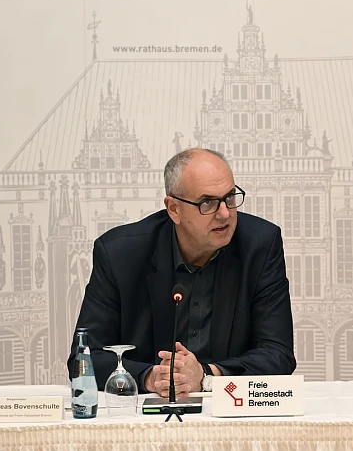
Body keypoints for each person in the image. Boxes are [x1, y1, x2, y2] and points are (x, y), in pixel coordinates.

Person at [67, 148, 295, 396]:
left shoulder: (260, 244)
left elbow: (278, 353)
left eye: (230, 197)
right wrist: (152, 377)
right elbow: (84, 358)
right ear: (174, 209)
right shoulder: (119, 254)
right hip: (149, 409)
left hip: (228, 403)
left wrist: (206, 375)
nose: (225, 213)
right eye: (207, 202)